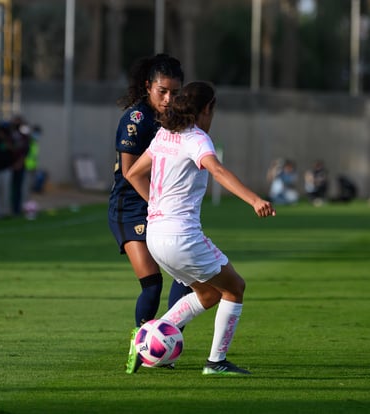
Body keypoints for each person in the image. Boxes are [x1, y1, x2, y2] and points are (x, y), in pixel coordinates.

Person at [126, 81, 276, 375]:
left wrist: (156, 205)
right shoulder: (197, 139)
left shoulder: (164, 135)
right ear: (207, 109)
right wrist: (255, 199)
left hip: (155, 235)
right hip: (182, 237)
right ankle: (216, 363)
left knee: (208, 294)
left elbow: (132, 173)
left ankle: (144, 341)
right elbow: (217, 170)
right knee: (235, 287)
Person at [107, 54, 192, 374]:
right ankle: (141, 346)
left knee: (185, 278)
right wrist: (158, 206)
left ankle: (163, 345)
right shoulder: (136, 119)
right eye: (162, 92)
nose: (169, 99)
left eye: (175, 93)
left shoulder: (176, 120)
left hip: (160, 207)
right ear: (148, 87)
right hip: (130, 209)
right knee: (153, 283)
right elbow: (130, 172)